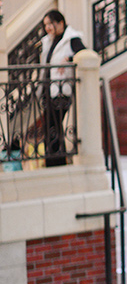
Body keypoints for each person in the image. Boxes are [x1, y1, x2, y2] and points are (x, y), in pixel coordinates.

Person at [39, 9, 85, 168]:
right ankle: (53, 161)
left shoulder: (72, 38)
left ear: (60, 23)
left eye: (50, 24)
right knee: (50, 126)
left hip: (61, 91)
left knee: (54, 126)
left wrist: (69, 59)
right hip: (48, 90)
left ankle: (57, 162)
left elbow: (85, 54)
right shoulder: (49, 41)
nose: (47, 28)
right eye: (45, 25)